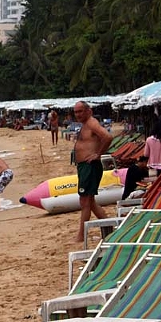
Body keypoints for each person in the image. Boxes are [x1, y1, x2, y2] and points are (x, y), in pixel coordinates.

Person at [73, 101, 114, 243]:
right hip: (85, 167)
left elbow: (107, 137)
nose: (78, 114)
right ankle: (108, 227)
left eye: (80, 111)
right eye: (76, 112)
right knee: (89, 201)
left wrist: (98, 153)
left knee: (85, 201)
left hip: (90, 167)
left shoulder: (91, 123)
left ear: (88, 111)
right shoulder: (86, 124)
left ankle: (80, 236)